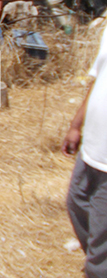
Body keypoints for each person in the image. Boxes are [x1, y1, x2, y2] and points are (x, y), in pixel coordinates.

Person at [63, 25, 107, 277]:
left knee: (102, 229)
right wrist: (76, 125)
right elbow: (99, 79)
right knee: (76, 200)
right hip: (93, 143)